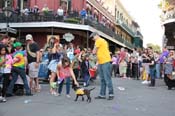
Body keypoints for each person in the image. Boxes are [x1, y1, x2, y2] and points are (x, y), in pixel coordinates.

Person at [90, 32, 114, 100]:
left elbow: (94, 52)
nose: (93, 39)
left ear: (97, 35)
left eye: (93, 37)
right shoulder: (101, 41)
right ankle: (102, 95)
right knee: (103, 79)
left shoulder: (99, 40)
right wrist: (97, 64)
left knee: (106, 79)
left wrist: (92, 52)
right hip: (102, 62)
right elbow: (100, 54)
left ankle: (111, 94)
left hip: (105, 62)